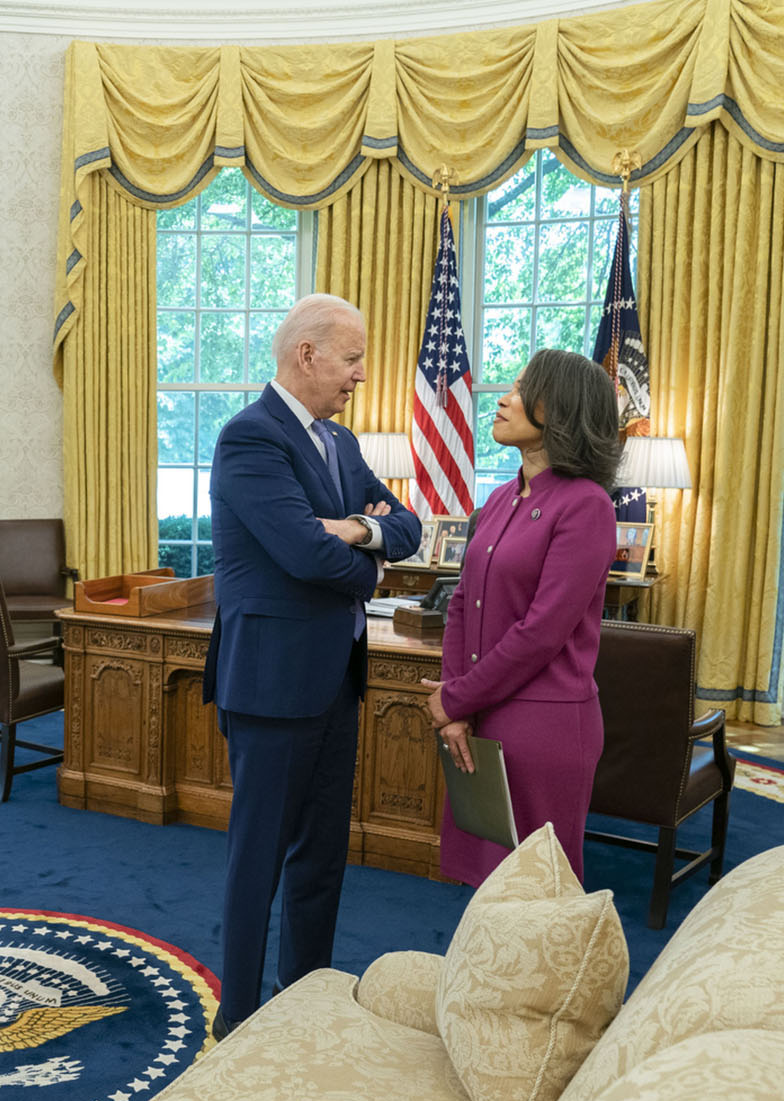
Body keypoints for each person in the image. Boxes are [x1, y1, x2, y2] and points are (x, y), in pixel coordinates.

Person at [202, 293, 422, 1038]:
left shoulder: (343, 443)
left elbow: (411, 527)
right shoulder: (250, 439)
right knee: (257, 862)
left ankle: (305, 1003)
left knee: (323, 859)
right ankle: (237, 1020)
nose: (360, 374)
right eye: (353, 358)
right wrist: (370, 566)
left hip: (335, 681)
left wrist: (358, 528)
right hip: (269, 687)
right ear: (308, 355)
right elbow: (302, 553)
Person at [422, 348, 621, 886]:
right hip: (479, 717)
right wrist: (457, 701)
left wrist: (455, 699)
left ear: (558, 410)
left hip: (544, 728)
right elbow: (461, 602)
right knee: (484, 886)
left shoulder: (587, 506)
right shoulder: (499, 498)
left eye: (519, 389)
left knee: (534, 896)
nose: (503, 399)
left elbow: (541, 634)